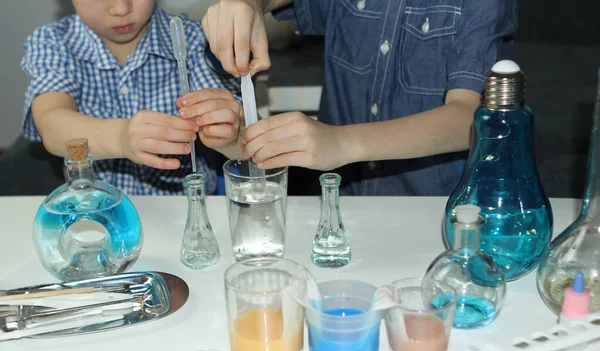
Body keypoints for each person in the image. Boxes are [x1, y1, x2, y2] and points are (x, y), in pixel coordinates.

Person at [201, 0, 518, 195]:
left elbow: (468, 118)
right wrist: (247, 4)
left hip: (430, 214)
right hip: (336, 201)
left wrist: (342, 142)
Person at [21, 0, 243, 195]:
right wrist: (121, 137)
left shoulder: (195, 40)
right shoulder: (53, 42)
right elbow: (52, 126)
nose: (120, 9)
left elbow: (245, 146)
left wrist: (231, 134)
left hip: (183, 213)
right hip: (96, 214)